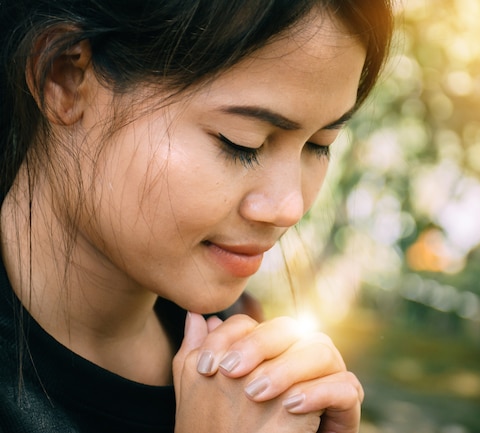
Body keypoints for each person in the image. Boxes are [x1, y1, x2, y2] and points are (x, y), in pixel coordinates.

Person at [0, 0, 393, 432]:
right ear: (65, 78)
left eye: (320, 144)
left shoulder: (246, 358)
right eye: (242, 143)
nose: (289, 208)